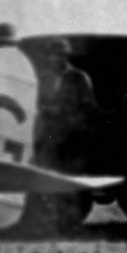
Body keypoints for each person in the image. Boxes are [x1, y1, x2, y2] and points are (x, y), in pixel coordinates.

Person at [34, 39, 99, 174]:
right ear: (48, 57)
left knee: (65, 177)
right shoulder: (44, 78)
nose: (57, 58)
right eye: (53, 55)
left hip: (70, 138)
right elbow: (37, 104)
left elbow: (89, 109)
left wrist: (65, 114)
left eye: (61, 55)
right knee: (44, 174)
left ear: (66, 56)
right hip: (47, 137)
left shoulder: (79, 78)